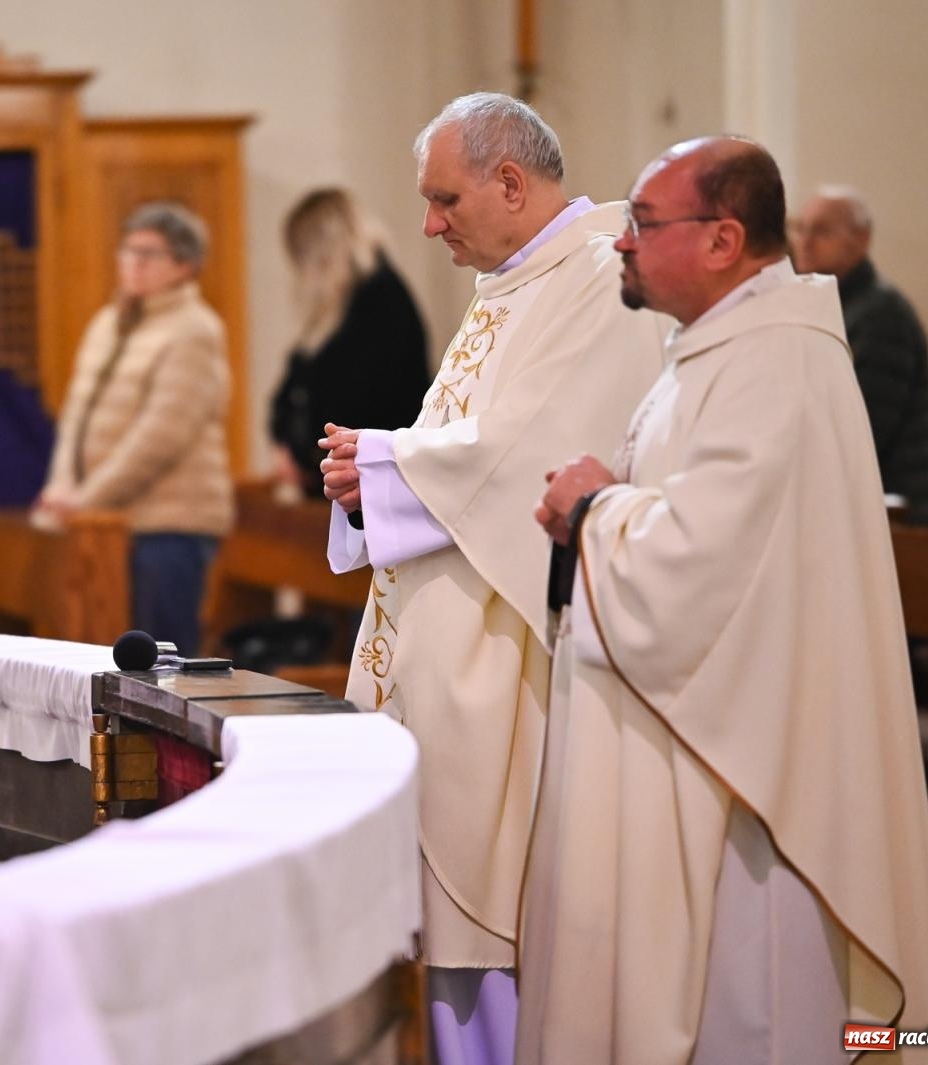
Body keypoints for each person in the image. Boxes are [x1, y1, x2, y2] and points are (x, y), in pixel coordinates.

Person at [530, 137, 928, 1064]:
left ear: (723, 241)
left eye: (643, 224)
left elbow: (699, 566)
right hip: (720, 734)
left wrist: (592, 507)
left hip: (758, 772)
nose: (623, 245)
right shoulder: (720, 350)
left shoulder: (772, 362)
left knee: (760, 1006)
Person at [317, 93, 665, 1063]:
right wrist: (370, 479)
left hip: (513, 657)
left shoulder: (597, 279)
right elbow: (462, 447)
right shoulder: (511, 286)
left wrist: (382, 462)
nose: (428, 225)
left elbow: (527, 459)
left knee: (501, 913)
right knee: (451, 927)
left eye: (443, 200)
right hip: (449, 651)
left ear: (509, 183)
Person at [35, 202, 233, 656]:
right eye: (128, 250)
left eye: (150, 253)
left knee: (162, 663)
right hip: (103, 521)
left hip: (167, 526)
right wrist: (62, 487)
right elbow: (77, 417)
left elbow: (158, 439)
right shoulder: (108, 322)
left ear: (185, 266)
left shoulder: (194, 330)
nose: (134, 262)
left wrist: (83, 502)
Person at [793, 186, 928, 524]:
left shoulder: (881, 315)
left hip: (900, 520)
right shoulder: (836, 309)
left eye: (821, 230)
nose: (804, 240)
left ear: (861, 240)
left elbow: (862, 429)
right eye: (801, 228)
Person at [269, 188, 429, 498]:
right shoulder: (344, 305)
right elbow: (294, 383)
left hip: (377, 486)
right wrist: (287, 443)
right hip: (346, 482)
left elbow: (356, 402)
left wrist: (303, 456)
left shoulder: (381, 301)